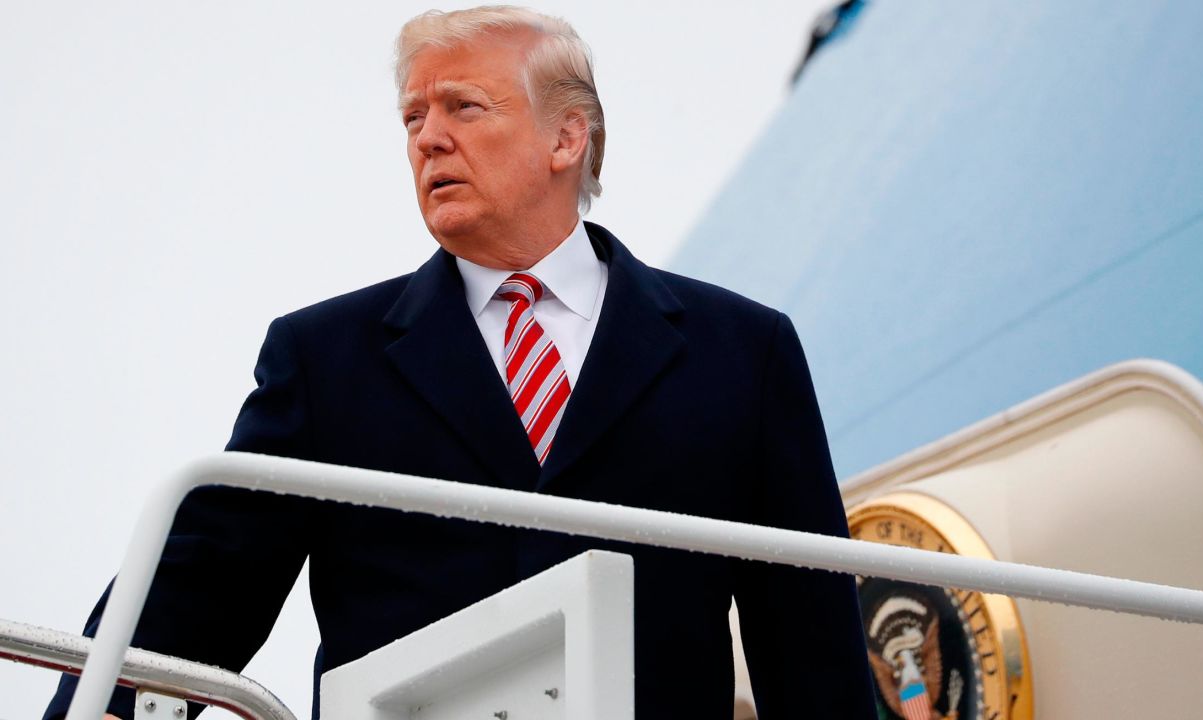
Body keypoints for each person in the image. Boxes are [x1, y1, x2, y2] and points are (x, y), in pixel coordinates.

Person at [46, 6, 876, 719]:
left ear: (566, 136)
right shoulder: (326, 358)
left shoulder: (742, 351)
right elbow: (196, 592)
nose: (429, 138)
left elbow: (811, 646)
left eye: (463, 107)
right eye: (414, 118)